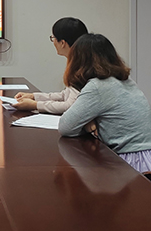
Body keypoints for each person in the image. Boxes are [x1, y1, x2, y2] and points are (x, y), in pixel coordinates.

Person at [58, 33, 151, 173]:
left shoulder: (97, 86)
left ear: (77, 62)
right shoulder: (126, 80)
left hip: (131, 164)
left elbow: (66, 127)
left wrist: (85, 124)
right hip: (146, 158)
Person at [14, 17, 88, 113]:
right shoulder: (79, 61)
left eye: (53, 38)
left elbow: (70, 106)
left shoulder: (82, 68)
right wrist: (34, 96)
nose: (53, 42)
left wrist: (35, 105)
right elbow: (65, 95)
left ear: (62, 43)